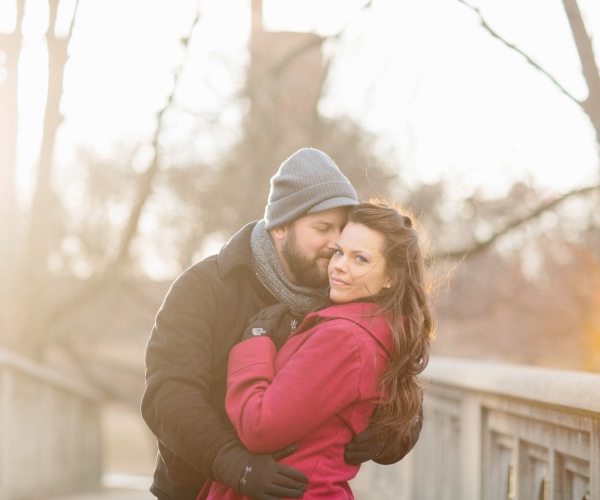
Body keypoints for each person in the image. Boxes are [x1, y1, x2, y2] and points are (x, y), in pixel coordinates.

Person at [141, 148, 422, 500]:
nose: (336, 244)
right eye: (322, 228)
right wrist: (235, 464)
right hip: (193, 490)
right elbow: (167, 395)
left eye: (342, 229)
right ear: (280, 228)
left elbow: (402, 382)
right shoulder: (205, 287)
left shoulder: (346, 293)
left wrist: (388, 434)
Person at [200, 201, 434, 499]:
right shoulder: (379, 329)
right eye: (340, 252)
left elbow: (259, 428)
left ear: (391, 278)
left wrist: (254, 343)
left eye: (360, 259)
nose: (339, 266)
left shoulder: (344, 339)